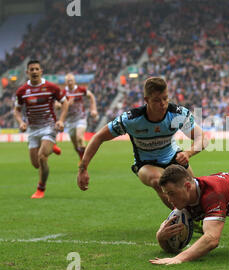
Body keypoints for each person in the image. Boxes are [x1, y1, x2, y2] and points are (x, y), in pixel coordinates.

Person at [77, 77, 208, 213]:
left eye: (165, 98)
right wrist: (83, 168)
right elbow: (98, 137)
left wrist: (188, 153)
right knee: (158, 181)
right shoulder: (131, 120)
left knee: (191, 190)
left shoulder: (177, 114)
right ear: (146, 100)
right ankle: (185, 217)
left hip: (173, 157)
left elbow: (202, 138)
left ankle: (193, 217)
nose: (163, 104)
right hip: (146, 164)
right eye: (157, 100)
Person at [14, 60, 69, 199]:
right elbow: (17, 109)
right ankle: (52, 146)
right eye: (31, 69)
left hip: (49, 126)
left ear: (41, 71)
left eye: (36, 69)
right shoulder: (21, 91)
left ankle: (41, 188)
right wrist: (21, 122)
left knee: (42, 156)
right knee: (35, 164)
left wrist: (61, 120)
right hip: (33, 129)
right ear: (27, 72)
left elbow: (65, 103)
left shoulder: (51, 87)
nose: (34, 71)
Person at [58, 73, 98, 161]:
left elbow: (91, 96)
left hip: (81, 118)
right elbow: (57, 106)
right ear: (65, 82)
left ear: (74, 81)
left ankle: (85, 161)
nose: (70, 82)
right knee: (75, 144)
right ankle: (82, 158)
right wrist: (67, 104)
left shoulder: (80, 90)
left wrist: (93, 109)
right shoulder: (63, 93)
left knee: (79, 137)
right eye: (68, 81)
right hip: (69, 121)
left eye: (71, 80)